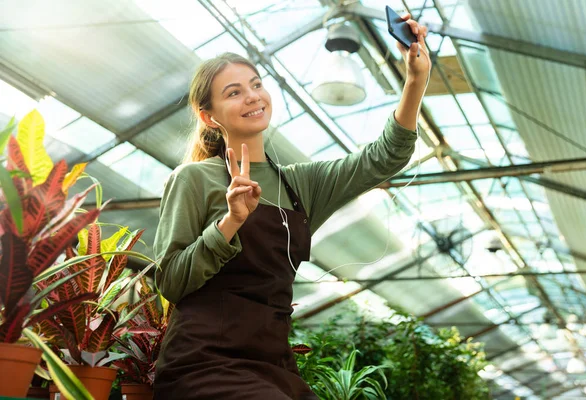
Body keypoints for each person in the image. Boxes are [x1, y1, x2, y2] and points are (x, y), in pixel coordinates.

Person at [152, 13, 431, 400]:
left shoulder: (301, 184)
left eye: (256, 85)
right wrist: (230, 222)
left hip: (273, 364)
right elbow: (170, 281)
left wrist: (416, 80)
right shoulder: (194, 179)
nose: (252, 96)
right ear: (208, 116)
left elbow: (385, 157)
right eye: (233, 92)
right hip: (205, 363)